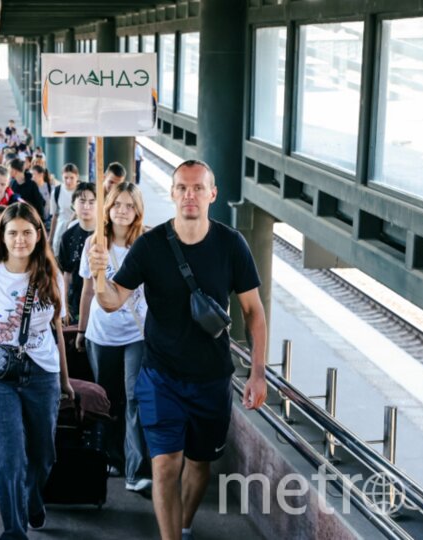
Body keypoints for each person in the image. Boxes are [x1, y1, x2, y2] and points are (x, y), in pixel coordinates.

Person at [87, 160, 268, 540]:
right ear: (171, 194)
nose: (190, 195)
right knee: (166, 465)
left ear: (212, 194)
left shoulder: (231, 244)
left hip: (211, 377)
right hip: (160, 376)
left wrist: (257, 373)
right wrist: (99, 273)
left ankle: (183, 527)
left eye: (198, 188)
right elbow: (111, 301)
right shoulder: (150, 247)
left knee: (199, 464)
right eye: (182, 188)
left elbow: (254, 312)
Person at [0, 203, 75, 540]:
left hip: (42, 374)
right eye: (13, 233)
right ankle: (14, 529)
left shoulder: (50, 276)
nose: (20, 239)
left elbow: (56, 332)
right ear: (1, 237)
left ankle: (33, 498)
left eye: (27, 232)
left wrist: (64, 379)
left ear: (38, 235)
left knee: (42, 454)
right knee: (8, 458)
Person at [78, 182, 150, 492]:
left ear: (137, 211)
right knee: (106, 399)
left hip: (137, 332)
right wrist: (80, 329)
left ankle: (136, 471)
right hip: (102, 332)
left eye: (129, 206)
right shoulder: (95, 243)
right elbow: (86, 289)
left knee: (135, 397)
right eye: (117, 204)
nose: (122, 210)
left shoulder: (145, 245)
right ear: (108, 208)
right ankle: (109, 458)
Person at [58, 183, 97, 324]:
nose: (86, 206)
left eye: (92, 202)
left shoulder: (107, 234)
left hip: (102, 303)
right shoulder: (67, 237)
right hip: (76, 301)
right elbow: (66, 274)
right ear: (73, 204)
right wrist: (65, 307)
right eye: (82, 201)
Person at [50, 163, 81, 257]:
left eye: (72, 177)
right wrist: (50, 238)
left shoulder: (82, 190)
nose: (68, 181)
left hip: (78, 228)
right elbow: (54, 216)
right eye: (66, 177)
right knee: (59, 256)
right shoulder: (57, 191)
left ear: (77, 177)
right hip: (61, 228)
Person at [29, 165, 54, 230]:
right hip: (36, 221)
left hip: (48, 222)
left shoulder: (50, 187)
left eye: (33, 174)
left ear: (41, 175)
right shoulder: (31, 189)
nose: (31, 177)